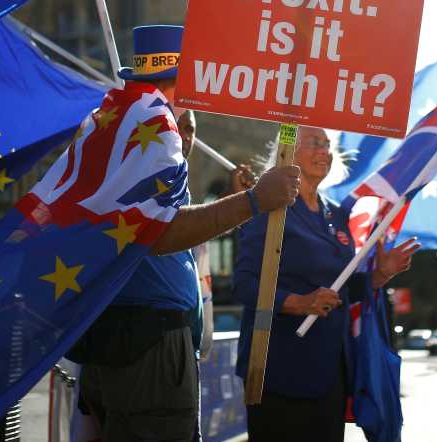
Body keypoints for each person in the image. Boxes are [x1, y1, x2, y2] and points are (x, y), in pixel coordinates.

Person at [75, 25, 300, 442]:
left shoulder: (127, 129)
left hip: (131, 341)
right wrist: (252, 200)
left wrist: (237, 204)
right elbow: (159, 233)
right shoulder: (153, 131)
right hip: (148, 344)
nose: (189, 134)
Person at [233, 126, 420, 442]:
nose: (325, 151)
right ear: (288, 152)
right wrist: (299, 302)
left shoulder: (336, 214)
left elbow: (343, 289)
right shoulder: (268, 206)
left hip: (331, 372)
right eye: (314, 143)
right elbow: (245, 284)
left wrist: (379, 275)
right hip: (277, 370)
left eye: (327, 144)